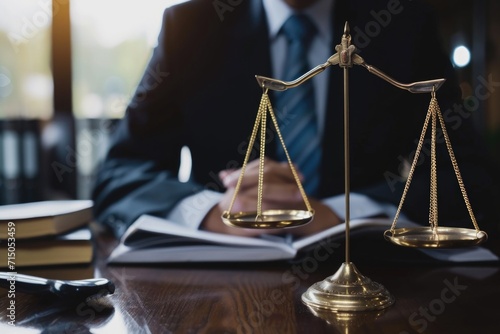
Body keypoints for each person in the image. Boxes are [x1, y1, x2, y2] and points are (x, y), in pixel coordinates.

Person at [92, 0, 499, 240]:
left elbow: (469, 177)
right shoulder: (192, 27)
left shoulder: (401, 24)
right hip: (221, 283)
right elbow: (119, 173)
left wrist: (341, 213)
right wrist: (210, 211)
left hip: (371, 279)